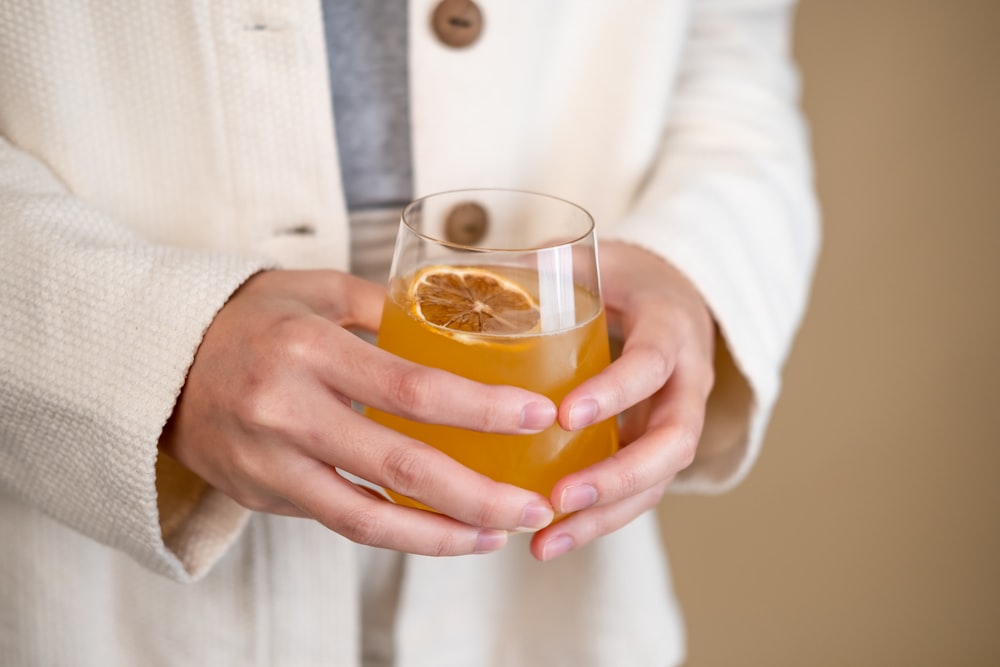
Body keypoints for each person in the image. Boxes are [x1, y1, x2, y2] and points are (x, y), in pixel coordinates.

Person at [0, 1, 819, 665]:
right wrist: (147, 344)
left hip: (550, 590)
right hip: (84, 585)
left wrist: (690, 265)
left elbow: (728, 54)